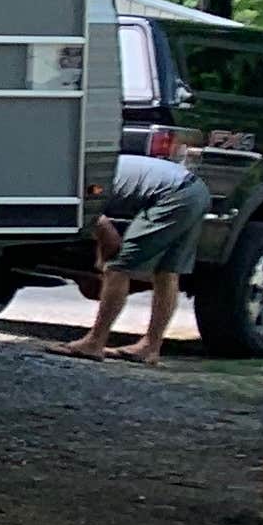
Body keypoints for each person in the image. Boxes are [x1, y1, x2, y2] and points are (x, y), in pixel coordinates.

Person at [70, 129, 208, 362]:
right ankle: (150, 347)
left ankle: (94, 342)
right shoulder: (96, 166)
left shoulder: (78, 180)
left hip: (172, 195)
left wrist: (103, 261)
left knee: (117, 268)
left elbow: (105, 229)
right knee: (167, 271)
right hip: (196, 190)